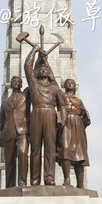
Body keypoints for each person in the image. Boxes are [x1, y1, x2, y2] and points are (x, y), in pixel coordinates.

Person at [25, 44, 65, 185]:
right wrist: (34, 50)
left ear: (49, 73)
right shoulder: (33, 84)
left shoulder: (55, 88)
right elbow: (27, 66)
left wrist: (62, 118)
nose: (43, 70)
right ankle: (34, 180)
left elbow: (62, 105)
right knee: (35, 149)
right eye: (41, 69)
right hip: (36, 113)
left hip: (50, 114)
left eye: (46, 69)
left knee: (50, 148)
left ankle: (49, 177)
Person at [0, 76, 30, 188]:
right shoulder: (5, 102)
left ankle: (22, 182)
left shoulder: (26, 96)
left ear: (21, 84)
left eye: (18, 81)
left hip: (22, 131)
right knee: (9, 160)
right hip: (8, 132)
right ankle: (10, 185)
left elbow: (32, 81)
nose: (16, 83)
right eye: (13, 81)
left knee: (23, 153)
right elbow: (0, 120)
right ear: (11, 84)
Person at [56, 79, 90, 188]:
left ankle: (80, 184)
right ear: (64, 86)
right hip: (66, 122)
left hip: (77, 124)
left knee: (80, 153)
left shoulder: (79, 100)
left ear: (75, 87)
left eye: (72, 83)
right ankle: (67, 180)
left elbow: (86, 116)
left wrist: (84, 119)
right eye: (67, 83)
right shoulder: (61, 96)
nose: (69, 84)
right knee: (65, 149)